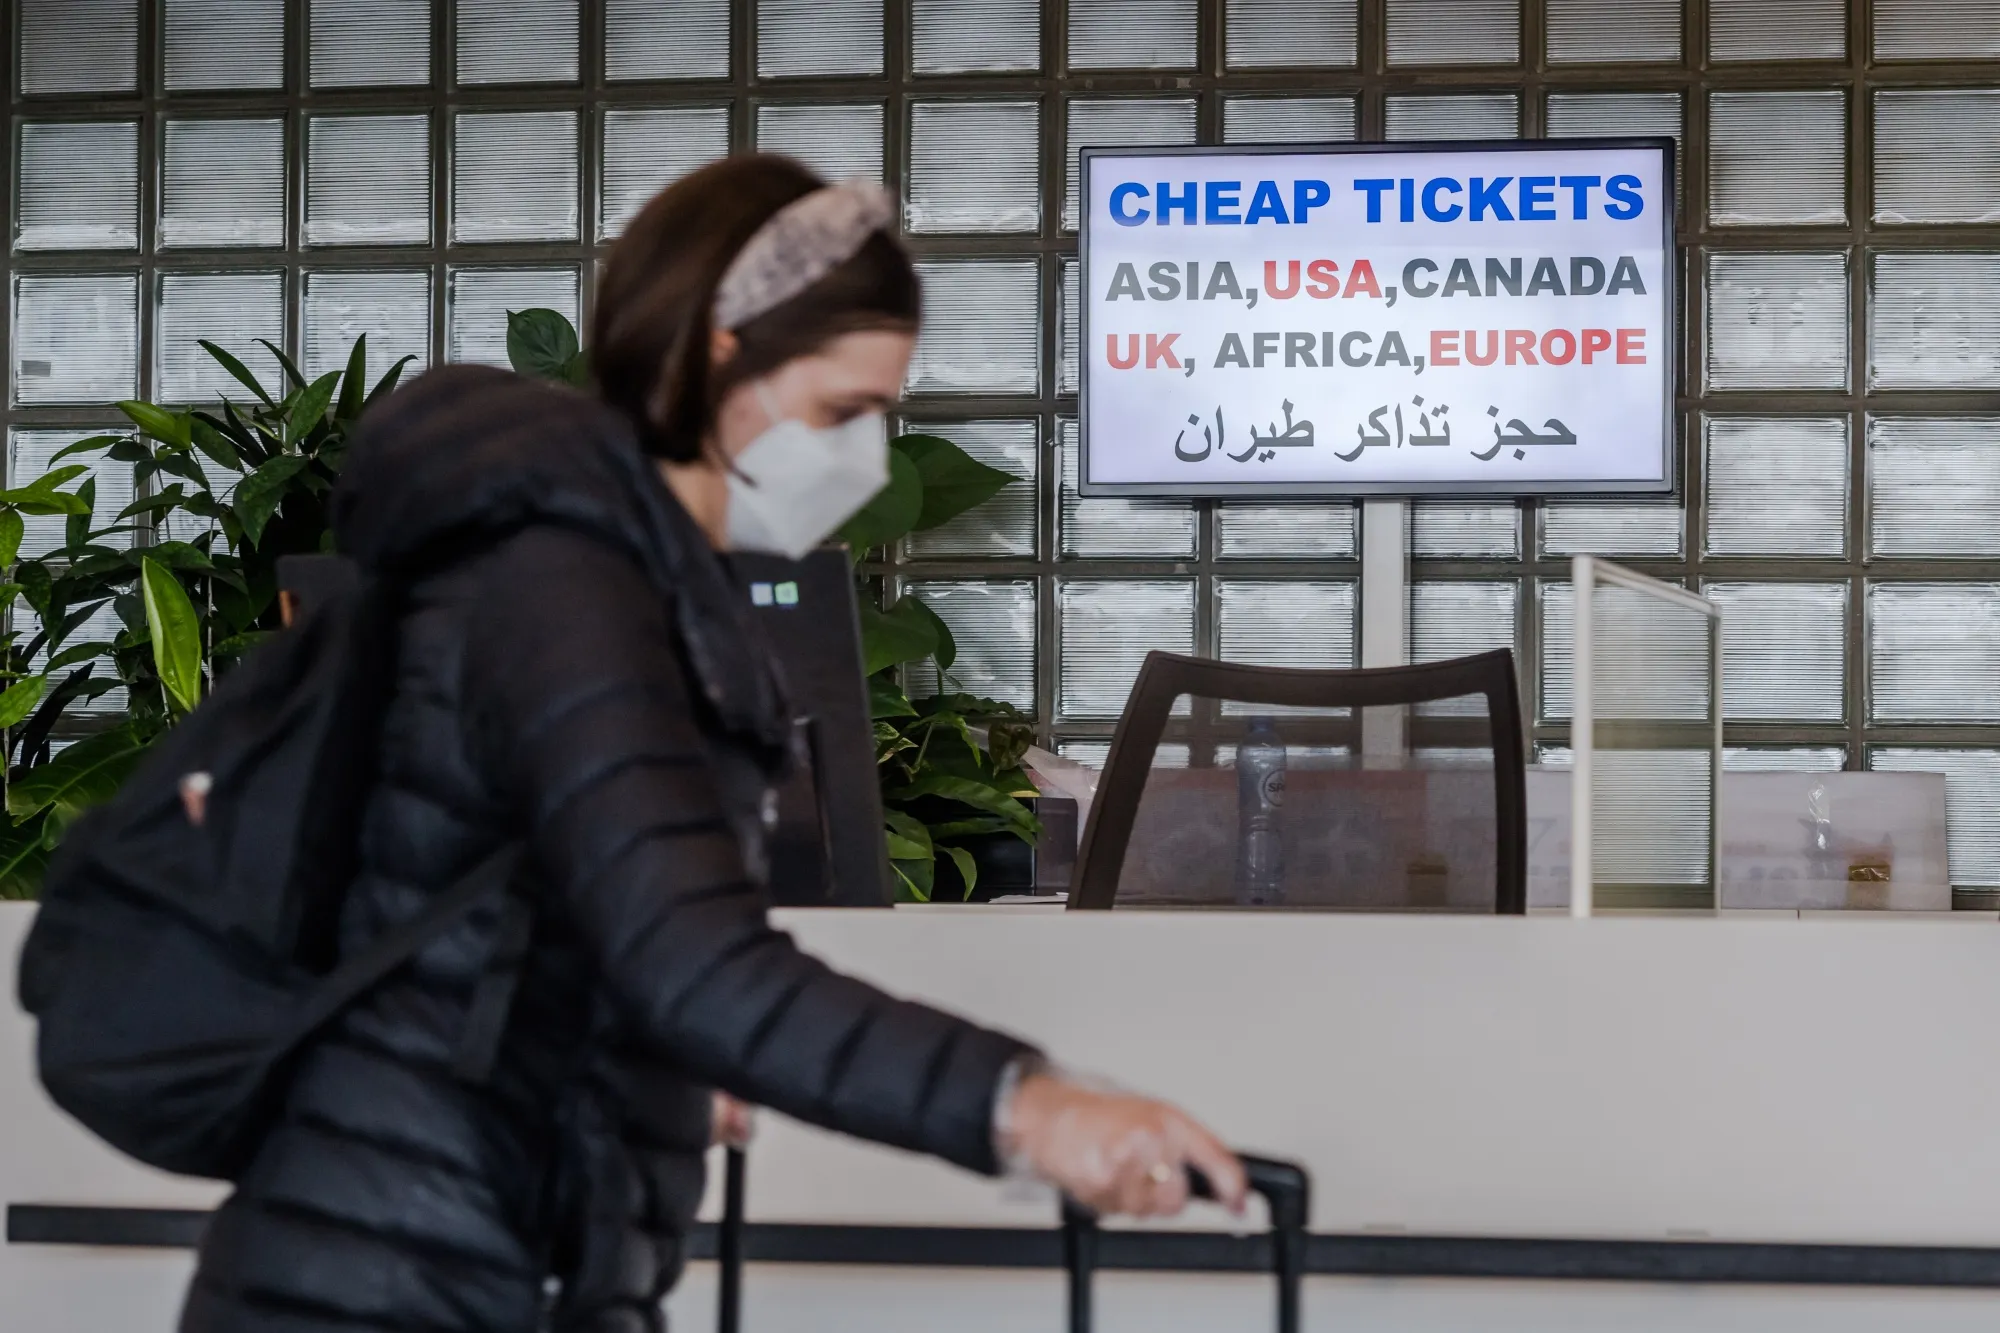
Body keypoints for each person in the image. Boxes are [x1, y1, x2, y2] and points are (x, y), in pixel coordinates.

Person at [179, 153, 1244, 1333]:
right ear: (716, 353)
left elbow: (542, 915)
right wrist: (1032, 1106)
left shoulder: (608, 575)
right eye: (846, 412)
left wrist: (637, 1067)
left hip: (470, 1255)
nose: (870, 458)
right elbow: (695, 961)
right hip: (399, 1280)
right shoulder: (568, 588)